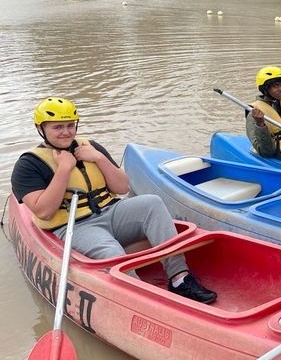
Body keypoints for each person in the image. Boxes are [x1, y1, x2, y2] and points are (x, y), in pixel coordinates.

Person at [11, 97, 216, 304]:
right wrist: (64, 169)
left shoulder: (90, 147)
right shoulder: (28, 165)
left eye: (70, 125)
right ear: (41, 128)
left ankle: (180, 278)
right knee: (111, 251)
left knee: (151, 203)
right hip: (75, 225)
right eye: (58, 127)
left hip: (110, 212)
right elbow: (43, 211)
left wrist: (98, 158)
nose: (66, 132)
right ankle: (141, 298)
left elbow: (122, 187)